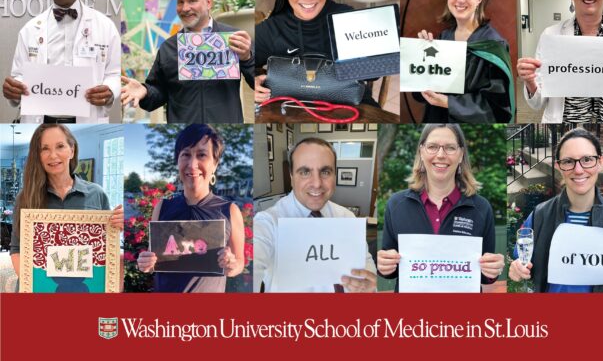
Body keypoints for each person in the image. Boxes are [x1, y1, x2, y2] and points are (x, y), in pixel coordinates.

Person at [508, 128, 603, 293]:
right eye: (568, 161)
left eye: (587, 159)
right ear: (559, 166)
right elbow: (522, 261)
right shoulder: (540, 215)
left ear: (600, 162)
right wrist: (518, 268)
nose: (578, 170)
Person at [378, 124, 504, 292]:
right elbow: (389, 270)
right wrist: (384, 265)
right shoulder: (396, 204)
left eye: (450, 148)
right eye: (432, 147)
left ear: (461, 155)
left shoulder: (480, 207)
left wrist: (492, 269)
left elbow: (484, 276)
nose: (441, 155)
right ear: (421, 152)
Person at [2, 0, 121, 123]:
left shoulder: (105, 26)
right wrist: (14, 90)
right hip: (41, 120)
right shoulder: (29, 29)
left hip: (87, 119)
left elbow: (114, 73)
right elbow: (19, 75)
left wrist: (110, 90)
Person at [120, 0, 254, 123]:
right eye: (180, 2)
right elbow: (158, 91)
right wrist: (145, 91)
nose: (185, 8)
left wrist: (247, 58)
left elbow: (258, 82)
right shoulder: (168, 48)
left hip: (226, 131)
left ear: (209, 3)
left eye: (192, 1)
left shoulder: (234, 39)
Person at [253, 137, 377, 292]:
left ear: (334, 175)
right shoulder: (268, 222)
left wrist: (369, 284)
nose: (317, 183)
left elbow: (365, 261)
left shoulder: (346, 218)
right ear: (291, 177)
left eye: (325, 171)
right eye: (305, 172)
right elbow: (253, 265)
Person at [253, 0, 377, 107]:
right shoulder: (272, 29)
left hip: (350, 107)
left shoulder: (347, 18)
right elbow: (236, 66)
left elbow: (374, 73)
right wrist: (252, 81)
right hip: (290, 110)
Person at [136, 124, 244, 293]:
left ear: (215, 164)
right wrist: (146, 263)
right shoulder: (162, 207)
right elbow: (154, 261)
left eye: (202, 155)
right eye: (186, 154)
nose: (192, 164)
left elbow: (239, 262)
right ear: (177, 161)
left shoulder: (229, 211)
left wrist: (232, 264)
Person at [10, 123, 123, 277]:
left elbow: (107, 249)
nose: (53, 155)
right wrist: (33, 286)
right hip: (38, 291)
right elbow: (17, 249)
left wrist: (120, 226)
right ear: (38, 155)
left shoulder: (97, 193)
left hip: (85, 290)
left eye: (60, 146)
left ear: (72, 150)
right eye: (45, 149)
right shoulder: (25, 197)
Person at [413, 0, 514, 122]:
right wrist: (419, 58)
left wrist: (448, 102)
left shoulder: (494, 45)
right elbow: (421, 92)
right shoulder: (441, 39)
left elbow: (497, 108)